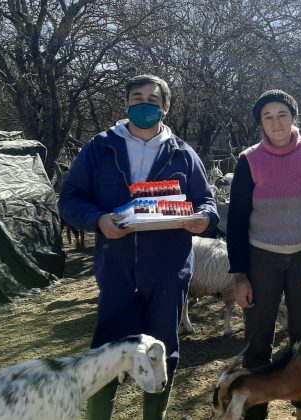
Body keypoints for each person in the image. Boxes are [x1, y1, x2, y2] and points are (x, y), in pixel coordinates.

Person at [59, 74, 219, 420]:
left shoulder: (183, 154)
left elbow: (207, 202)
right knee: (106, 354)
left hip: (168, 271)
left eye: (153, 99)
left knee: (163, 352)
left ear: (166, 106)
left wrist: (204, 219)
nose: (145, 105)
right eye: (137, 98)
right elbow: (69, 200)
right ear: (127, 103)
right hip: (116, 270)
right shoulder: (100, 149)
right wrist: (98, 220)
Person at [226, 89, 301, 420]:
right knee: (258, 338)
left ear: (294, 118)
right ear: (260, 124)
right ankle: (255, 411)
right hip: (261, 257)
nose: (275, 122)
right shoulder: (249, 160)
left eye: (282, 115)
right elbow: (236, 221)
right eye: (267, 117)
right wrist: (240, 276)